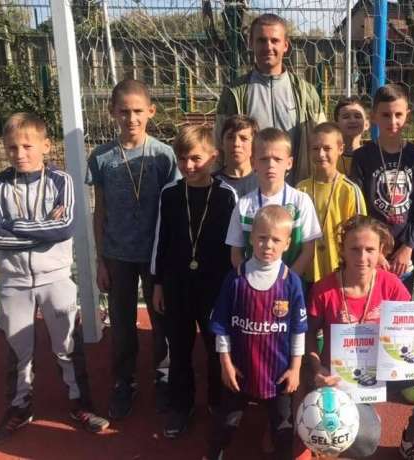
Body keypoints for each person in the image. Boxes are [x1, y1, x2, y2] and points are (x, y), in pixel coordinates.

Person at [0, 113, 109, 445]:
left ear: (46, 146)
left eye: (27, 146)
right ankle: (19, 407)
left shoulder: (60, 181)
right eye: (12, 147)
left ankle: (80, 405)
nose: (19, 153)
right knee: (18, 352)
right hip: (13, 282)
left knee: (67, 346)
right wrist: (39, 230)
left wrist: (12, 225)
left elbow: (63, 228)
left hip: (56, 278)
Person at [307, 215, 414, 460]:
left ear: (381, 252)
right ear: (342, 250)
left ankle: (413, 439)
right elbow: (308, 335)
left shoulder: (391, 284)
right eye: (354, 249)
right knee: (365, 444)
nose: (362, 257)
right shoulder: (324, 290)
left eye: (370, 250)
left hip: (390, 371)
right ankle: (362, 412)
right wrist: (318, 368)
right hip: (344, 381)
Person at [86, 78, 179, 419]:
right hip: (117, 255)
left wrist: (169, 260)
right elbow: (100, 211)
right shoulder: (101, 157)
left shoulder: (163, 155)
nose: (131, 118)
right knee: (122, 323)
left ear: (151, 111)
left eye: (138, 111)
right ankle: (124, 381)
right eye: (124, 111)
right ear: (112, 112)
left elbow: (173, 210)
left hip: (155, 256)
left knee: (162, 320)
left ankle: (164, 376)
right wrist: (100, 260)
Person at [150, 125, 237, 438]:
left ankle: (217, 402)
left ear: (213, 157)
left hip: (214, 287)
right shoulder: (170, 194)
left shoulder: (227, 195)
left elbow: (234, 246)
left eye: (196, 158)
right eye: (182, 158)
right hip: (176, 285)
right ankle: (181, 405)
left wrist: (232, 288)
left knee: (216, 347)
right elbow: (161, 241)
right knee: (179, 348)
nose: (188, 165)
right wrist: (158, 283)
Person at [208, 205, 308, 460]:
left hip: (278, 374)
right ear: (251, 238)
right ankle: (215, 453)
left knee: (283, 429)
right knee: (226, 424)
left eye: (276, 240)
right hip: (240, 371)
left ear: (287, 244)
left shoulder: (291, 282)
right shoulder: (235, 279)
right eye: (262, 237)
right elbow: (221, 325)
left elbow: (298, 330)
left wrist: (295, 368)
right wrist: (226, 364)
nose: (268, 245)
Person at [215, 13, 326, 184]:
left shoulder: (307, 93)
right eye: (261, 40)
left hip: (296, 189)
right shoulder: (233, 93)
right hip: (250, 191)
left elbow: (323, 142)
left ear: (285, 45)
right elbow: (218, 146)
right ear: (251, 43)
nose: (268, 47)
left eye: (275, 40)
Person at [349, 84, 414, 296]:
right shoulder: (363, 157)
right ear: (374, 116)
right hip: (372, 250)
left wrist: (408, 247)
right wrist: (374, 250)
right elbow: (359, 208)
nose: (392, 121)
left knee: (399, 307)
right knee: (370, 305)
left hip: (404, 252)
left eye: (398, 115)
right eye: (385, 115)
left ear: (407, 116)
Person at [225, 127, 322, 275]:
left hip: (290, 283)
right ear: (253, 162)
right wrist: (251, 279)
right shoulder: (244, 205)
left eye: (277, 159)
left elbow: (308, 251)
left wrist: (286, 281)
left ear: (289, 163)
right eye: (264, 159)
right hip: (253, 283)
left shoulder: (301, 201)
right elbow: (236, 254)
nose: (271, 165)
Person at [296, 122, 367, 286]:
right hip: (306, 273)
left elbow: (360, 233)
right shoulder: (301, 189)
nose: (321, 154)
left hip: (339, 273)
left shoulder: (349, 190)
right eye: (315, 148)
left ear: (340, 149)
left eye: (327, 148)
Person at [213, 115, 259, 197]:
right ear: (222, 143)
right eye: (230, 137)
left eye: (243, 138)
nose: (236, 144)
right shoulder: (210, 183)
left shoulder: (264, 182)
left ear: (254, 144)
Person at [333, 96, 370, 174]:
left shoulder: (373, 157)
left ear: (366, 124)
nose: (352, 120)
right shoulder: (330, 157)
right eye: (346, 117)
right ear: (336, 125)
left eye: (357, 116)